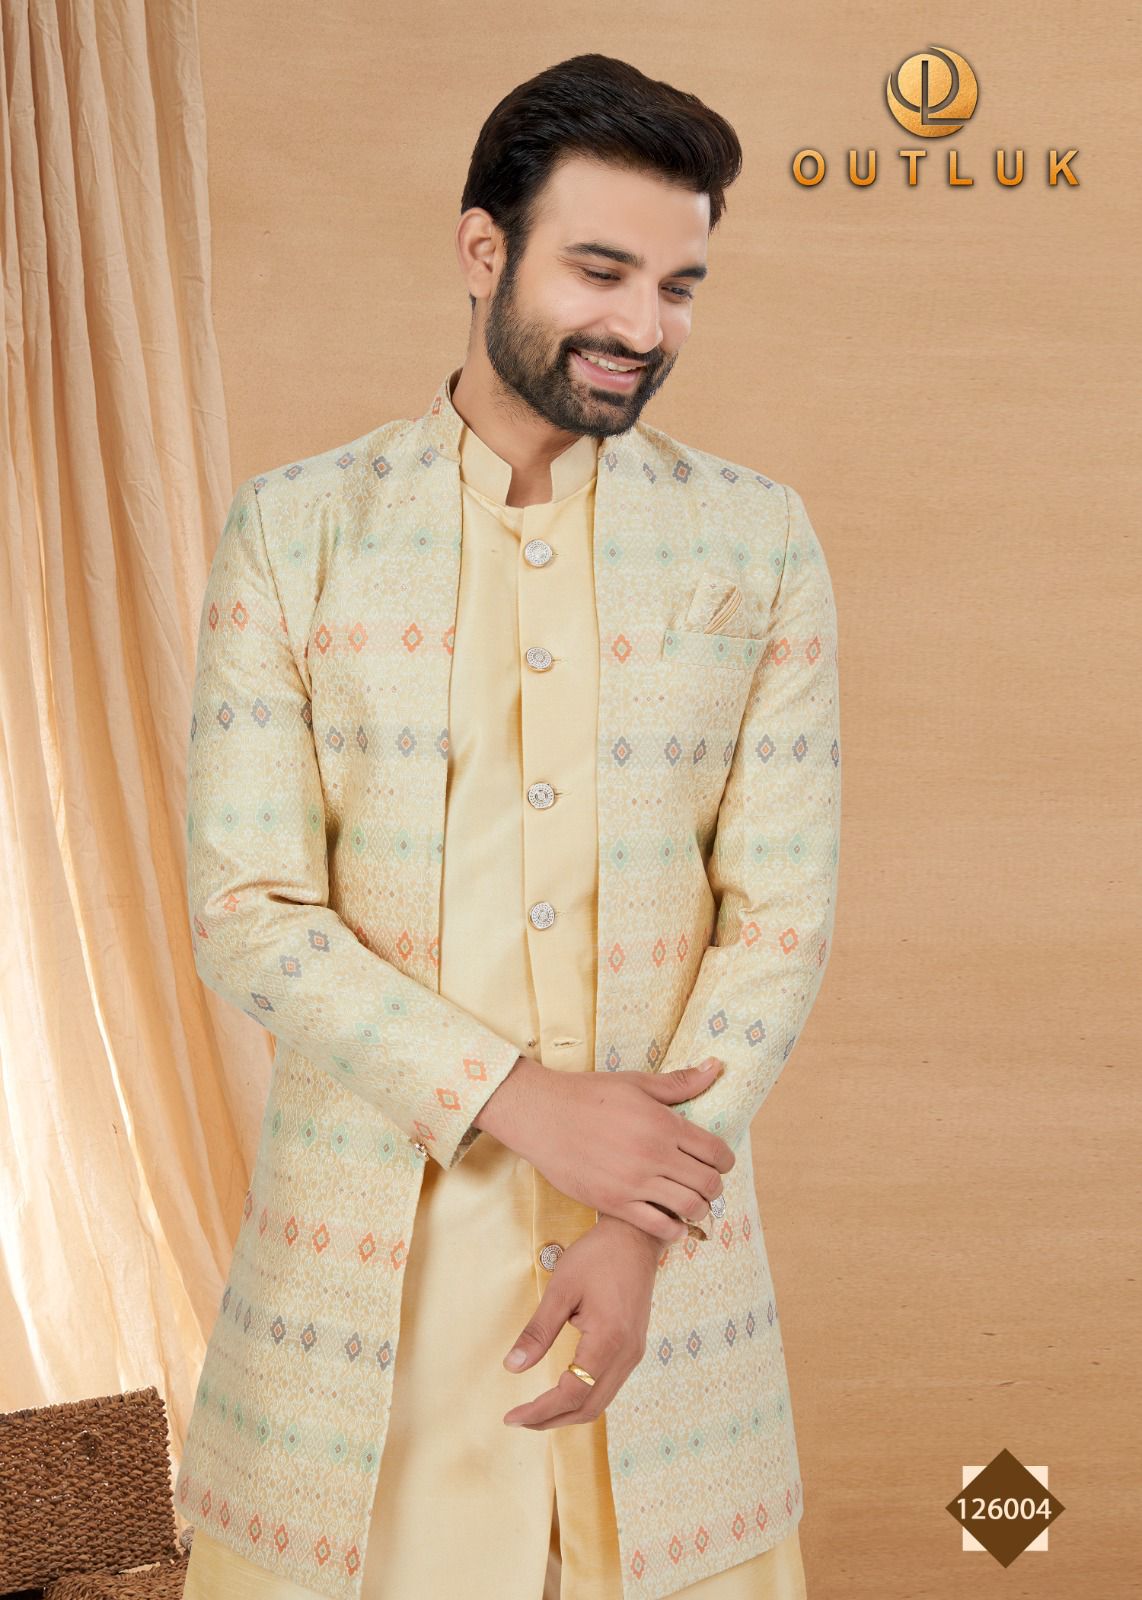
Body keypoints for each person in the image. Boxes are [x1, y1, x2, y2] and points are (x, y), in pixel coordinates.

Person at [177, 51, 840, 1600]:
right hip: (362, 1306)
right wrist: (517, 1101)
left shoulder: (755, 542)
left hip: (667, 1295)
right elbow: (248, 912)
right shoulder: (299, 532)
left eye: (677, 285)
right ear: (483, 250)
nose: (641, 326)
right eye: (599, 271)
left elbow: (779, 919)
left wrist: (642, 1222)